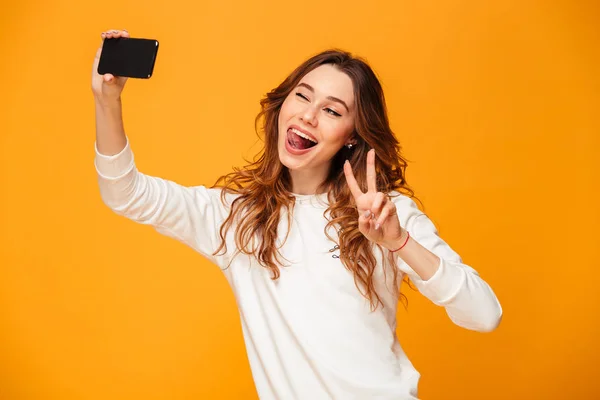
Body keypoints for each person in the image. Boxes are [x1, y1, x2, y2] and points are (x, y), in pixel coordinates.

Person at [92, 29, 502, 400]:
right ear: (283, 104)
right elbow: (125, 194)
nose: (308, 114)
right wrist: (107, 101)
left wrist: (399, 242)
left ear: (352, 135)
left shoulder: (386, 214)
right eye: (303, 96)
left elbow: (484, 315)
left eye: (332, 110)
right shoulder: (238, 220)